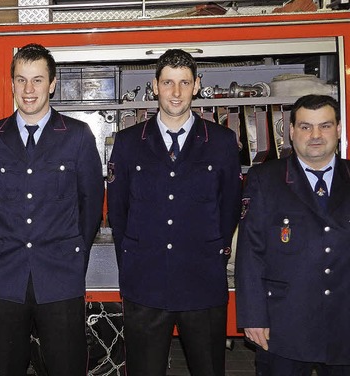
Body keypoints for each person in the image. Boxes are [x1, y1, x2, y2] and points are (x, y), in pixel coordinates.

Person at [107, 49, 242, 376]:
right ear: (155, 86)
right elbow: (117, 209)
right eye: (168, 82)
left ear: (197, 86)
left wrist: (214, 253)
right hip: (145, 284)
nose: (176, 92)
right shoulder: (128, 142)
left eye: (184, 83)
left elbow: (230, 206)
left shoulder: (222, 142)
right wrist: (133, 259)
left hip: (202, 282)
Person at [0, 43, 104, 375]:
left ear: (53, 83)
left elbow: (91, 203)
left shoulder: (76, 136)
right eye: (21, 80)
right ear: (12, 84)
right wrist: (1, 244)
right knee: (5, 367)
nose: (28, 90)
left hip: (60, 277)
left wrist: (74, 253)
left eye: (37, 80)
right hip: (5, 278)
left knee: (66, 367)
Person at [235, 94, 350, 375]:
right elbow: (250, 254)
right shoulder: (265, 179)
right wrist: (253, 316)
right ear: (291, 131)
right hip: (285, 323)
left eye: (324, 126)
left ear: (338, 129)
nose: (315, 135)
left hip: (345, 323)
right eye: (306, 126)